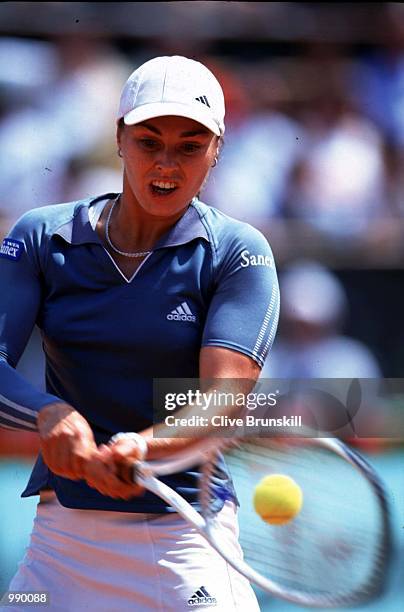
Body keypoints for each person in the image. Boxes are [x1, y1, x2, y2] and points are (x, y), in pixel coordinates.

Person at [0, 56, 279, 611]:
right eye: (150, 142)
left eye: (190, 145)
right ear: (119, 139)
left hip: (187, 543)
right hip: (60, 547)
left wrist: (143, 446)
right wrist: (48, 413)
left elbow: (223, 397)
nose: (167, 165)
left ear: (217, 149)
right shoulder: (40, 237)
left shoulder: (238, 252)